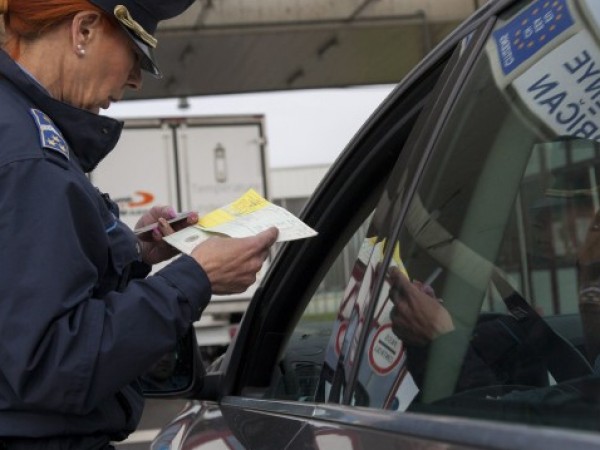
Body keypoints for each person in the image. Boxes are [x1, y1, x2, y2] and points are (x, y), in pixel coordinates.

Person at [0, 0, 278, 448]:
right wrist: (196, 278)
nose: (133, 79)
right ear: (84, 31)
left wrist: (135, 250)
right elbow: (52, 364)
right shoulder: (30, 155)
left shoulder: (20, 130)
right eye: (134, 53)